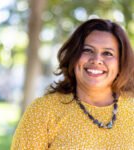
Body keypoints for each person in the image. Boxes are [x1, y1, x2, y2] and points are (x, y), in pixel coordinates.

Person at [11, 18, 134, 149]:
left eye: (107, 53)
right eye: (87, 50)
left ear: (121, 62)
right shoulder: (43, 111)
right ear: (74, 56)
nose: (97, 60)